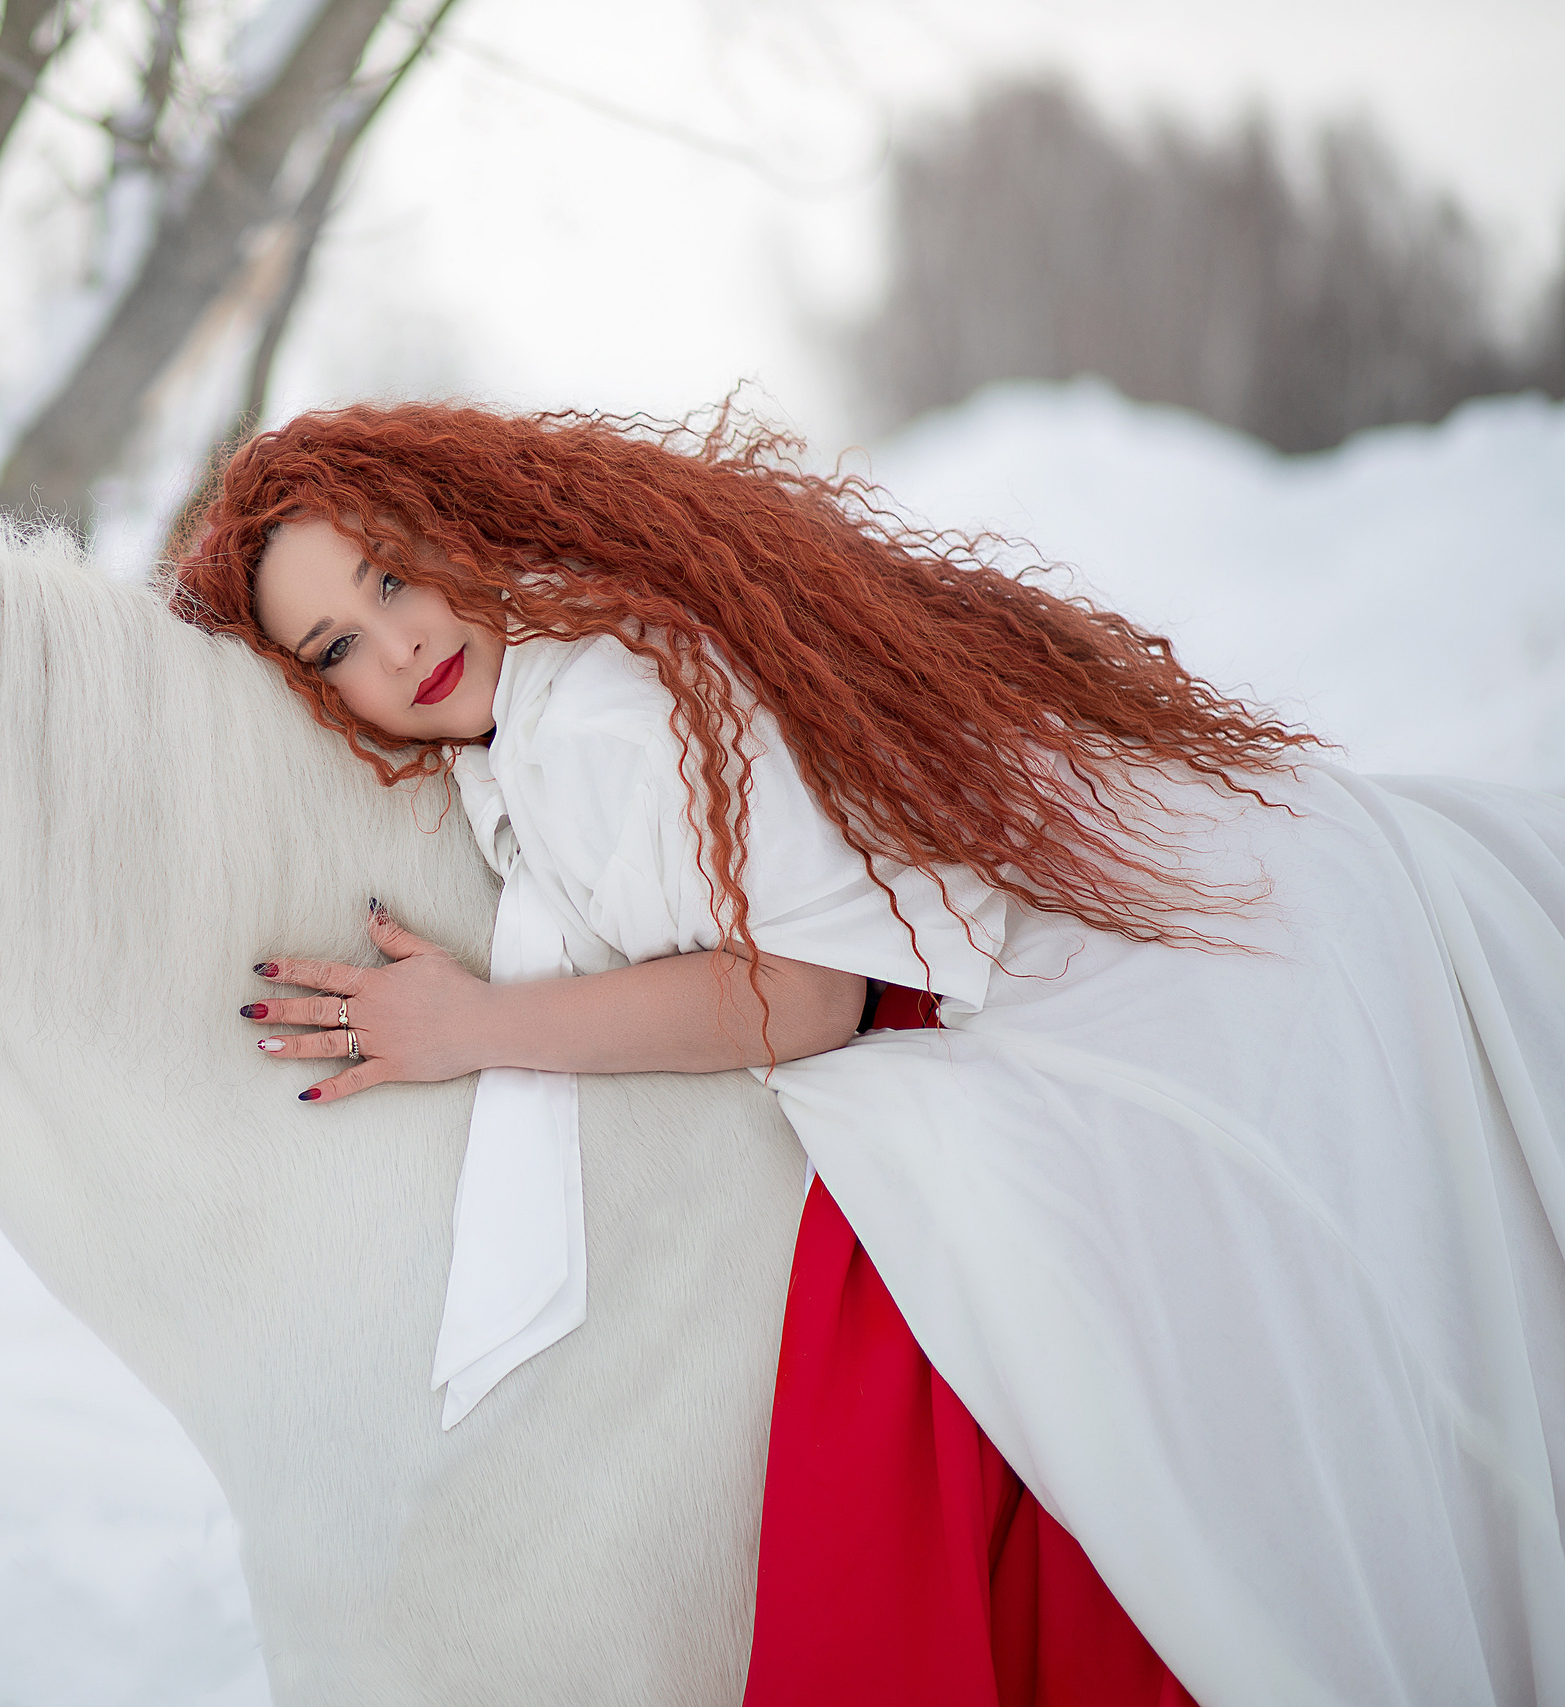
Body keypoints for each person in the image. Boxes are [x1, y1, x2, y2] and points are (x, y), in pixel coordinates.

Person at [167, 402, 1565, 1707]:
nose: (397, 648)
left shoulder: (596, 717)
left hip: (1078, 970)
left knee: (1016, 1379)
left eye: (392, 578)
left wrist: (473, 1028)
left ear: (456, 527)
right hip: (1076, 909)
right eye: (337, 648)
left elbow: (808, 997)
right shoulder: (548, 693)